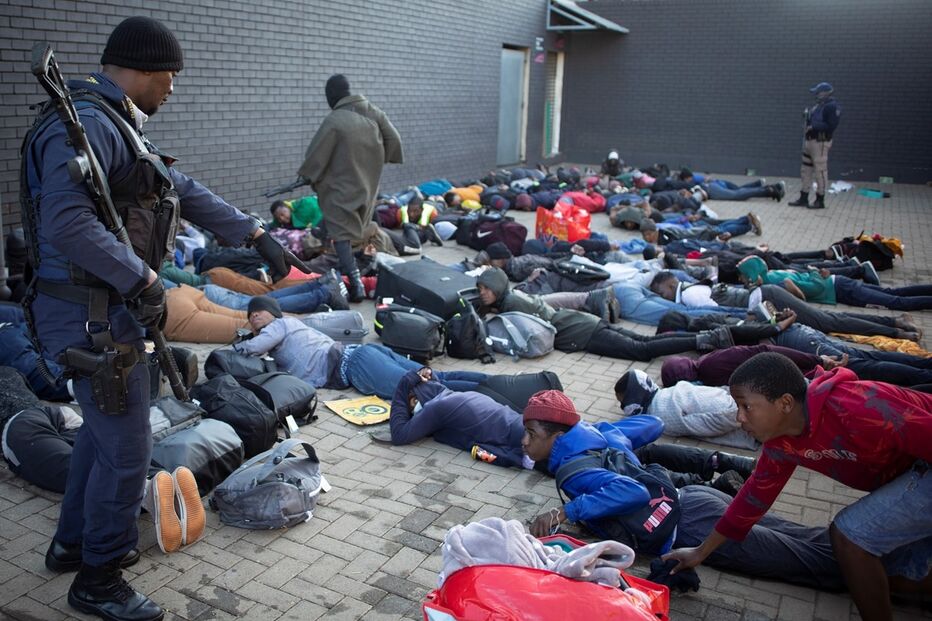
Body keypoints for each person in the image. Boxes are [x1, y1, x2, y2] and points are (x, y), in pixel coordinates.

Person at [20, 17, 308, 621]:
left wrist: (255, 232)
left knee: (102, 444)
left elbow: (177, 185)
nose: (173, 88)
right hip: (91, 320)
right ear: (143, 69)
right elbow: (67, 224)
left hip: (105, 312)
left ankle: (72, 544)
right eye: (169, 75)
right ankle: (99, 579)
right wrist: (146, 280)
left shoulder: (113, 122)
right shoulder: (88, 126)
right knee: (127, 450)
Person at [663, 353, 931, 619]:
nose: (739, 418)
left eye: (746, 406)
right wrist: (701, 552)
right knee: (895, 570)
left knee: (851, 536)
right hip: (911, 475)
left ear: (785, 403)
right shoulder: (782, 441)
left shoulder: (859, 406)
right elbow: (753, 499)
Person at [521, 390, 846, 590]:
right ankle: (862, 549)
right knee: (802, 537)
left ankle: (875, 568)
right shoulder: (596, 437)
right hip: (693, 498)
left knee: (806, 561)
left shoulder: (571, 472)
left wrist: (565, 510)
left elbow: (632, 491)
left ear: (558, 438)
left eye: (531, 434)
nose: (524, 442)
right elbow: (649, 427)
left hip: (691, 526)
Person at [234, 296, 486, 398]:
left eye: (258, 313)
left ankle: (482, 400)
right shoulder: (285, 333)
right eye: (251, 315)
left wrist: (241, 344)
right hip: (361, 355)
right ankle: (489, 385)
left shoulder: (279, 325)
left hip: (355, 364)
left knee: (420, 389)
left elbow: (255, 347)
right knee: (433, 377)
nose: (254, 317)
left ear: (272, 313)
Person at [476, 268, 735, 362]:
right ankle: (702, 337)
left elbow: (534, 333)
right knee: (642, 342)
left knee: (641, 349)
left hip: (582, 332)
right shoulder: (512, 297)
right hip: (582, 322)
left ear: (498, 287)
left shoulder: (511, 303)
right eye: (481, 289)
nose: (484, 293)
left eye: (487, 288)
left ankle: (702, 340)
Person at [297, 74, 403, 302]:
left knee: (341, 234)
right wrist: (374, 160)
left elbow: (316, 154)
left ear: (332, 95)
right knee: (355, 228)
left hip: (341, 187)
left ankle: (356, 284)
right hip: (367, 183)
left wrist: (307, 175)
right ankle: (357, 277)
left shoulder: (335, 120)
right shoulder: (372, 111)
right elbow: (393, 140)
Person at [387, 367, 530, 469]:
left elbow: (399, 435)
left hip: (524, 438)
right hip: (523, 427)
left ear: (414, 400)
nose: (413, 415)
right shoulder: (451, 395)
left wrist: (404, 383)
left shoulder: (437, 406)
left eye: (410, 410)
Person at [737, 255, 932, 311]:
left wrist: (800, 300)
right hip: (840, 283)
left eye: (744, 277)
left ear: (754, 274)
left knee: (896, 303)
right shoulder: (772, 274)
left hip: (841, 290)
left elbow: (816, 286)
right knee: (894, 292)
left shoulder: (773, 281)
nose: (741, 280)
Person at [788, 82, 841, 210]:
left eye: (818, 92)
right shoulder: (818, 106)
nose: (816, 95)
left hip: (820, 142)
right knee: (806, 170)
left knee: (820, 171)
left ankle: (820, 199)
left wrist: (814, 126)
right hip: (810, 141)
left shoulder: (832, 107)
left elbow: (831, 126)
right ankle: (804, 196)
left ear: (825, 93)